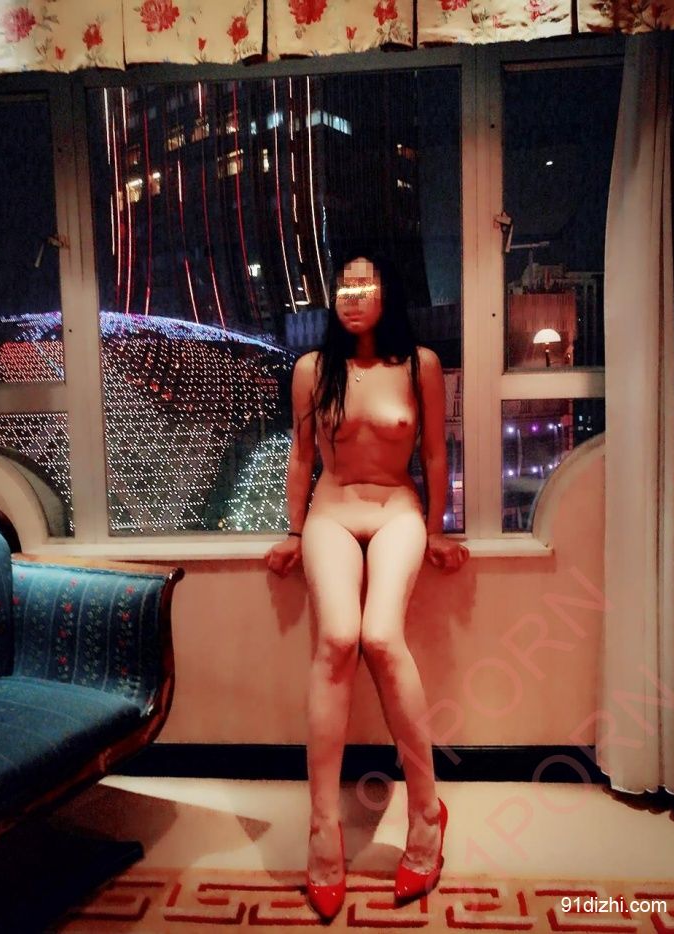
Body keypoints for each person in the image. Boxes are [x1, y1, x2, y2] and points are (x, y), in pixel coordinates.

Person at [265, 251, 469, 920]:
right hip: (332, 507)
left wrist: (437, 529)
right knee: (338, 640)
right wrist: (294, 532)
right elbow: (301, 456)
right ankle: (322, 827)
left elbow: (435, 452)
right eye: (344, 286)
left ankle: (426, 812)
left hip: (396, 509)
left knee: (381, 636)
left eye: (366, 284)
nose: (353, 296)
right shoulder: (312, 369)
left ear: (388, 292)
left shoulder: (420, 365)